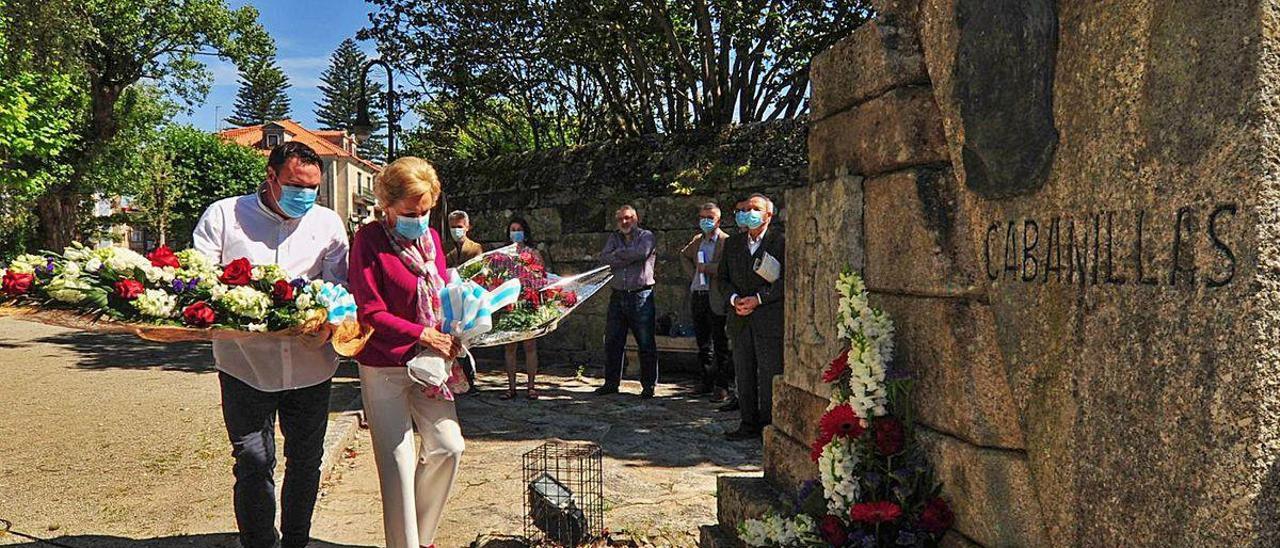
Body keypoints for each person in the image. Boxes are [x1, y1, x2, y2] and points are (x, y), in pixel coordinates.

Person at [192, 141, 349, 548]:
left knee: (305, 463)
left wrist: (328, 318)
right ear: (271, 177)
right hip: (244, 364)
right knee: (252, 461)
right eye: (296, 185)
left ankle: (296, 541)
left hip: (312, 366)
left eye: (313, 187)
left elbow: (342, 288)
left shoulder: (329, 223)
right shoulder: (225, 217)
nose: (306, 195)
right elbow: (200, 282)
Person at [348, 157, 465, 548]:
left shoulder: (431, 241)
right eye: (410, 212)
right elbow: (370, 311)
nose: (420, 219)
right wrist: (422, 333)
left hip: (431, 365)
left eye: (427, 210)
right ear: (386, 206)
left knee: (448, 446)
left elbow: (443, 295)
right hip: (384, 363)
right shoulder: (368, 240)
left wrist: (458, 330)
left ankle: (421, 536)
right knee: (396, 464)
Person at [718, 193, 785, 441]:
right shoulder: (733, 244)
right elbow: (722, 280)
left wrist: (759, 299)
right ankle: (747, 424)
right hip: (740, 318)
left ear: (768, 214)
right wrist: (735, 300)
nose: (749, 213)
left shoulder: (781, 241)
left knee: (769, 373)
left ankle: (768, 425)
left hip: (768, 318)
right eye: (745, 209)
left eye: (755, 209)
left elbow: (786, 280)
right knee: (744, 373)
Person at [596, 205, 659, 398]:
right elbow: (604, 259)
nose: (625, 222)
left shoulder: (646, 236)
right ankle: (611, 382)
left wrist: (618, 255)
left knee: (645, 342)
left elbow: (640, 253)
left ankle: (648, 386)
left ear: (636, 218)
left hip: (640, 295)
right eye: (621, 219)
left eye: (628, 218)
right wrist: (624, 256)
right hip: (618, 294)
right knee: (613, 341)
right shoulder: (614, 238)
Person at [680, 202, 732, 402]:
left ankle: (721, 385)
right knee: (703, 343)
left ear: (718, 220)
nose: (706, 221)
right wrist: (694, 274)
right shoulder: (697, 241)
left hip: (716, 297)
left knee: (720, 342)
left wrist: (707, 269)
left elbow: (727, 268)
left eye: (710, 218)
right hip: (698, 296)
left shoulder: (725, 242)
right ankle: (705, 380)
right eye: (703, 217)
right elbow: (684, 256)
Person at [501, 217, 543, 400]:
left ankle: (531, 387)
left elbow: (541, 277)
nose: (515, 232)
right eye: (512, 229)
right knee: (510, 346)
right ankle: (511, 387)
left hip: (528, 302)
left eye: (518, 229)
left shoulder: (534, 253)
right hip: (510, 303)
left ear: (525, 232)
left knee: (530, 345)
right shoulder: (503, 255)